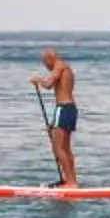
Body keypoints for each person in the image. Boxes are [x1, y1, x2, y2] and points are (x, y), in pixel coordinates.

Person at [33, 48, 79, 188]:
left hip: (63, 109)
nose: (46, 67)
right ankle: (72, 181)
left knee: (58, 147)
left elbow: (47, 85)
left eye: (45, 64)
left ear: (50, 58)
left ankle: (70, 182)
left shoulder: (59, 66)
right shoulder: (66, 68)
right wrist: (53, 123)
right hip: (70, 109)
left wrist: (38, 79)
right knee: (65, 148)